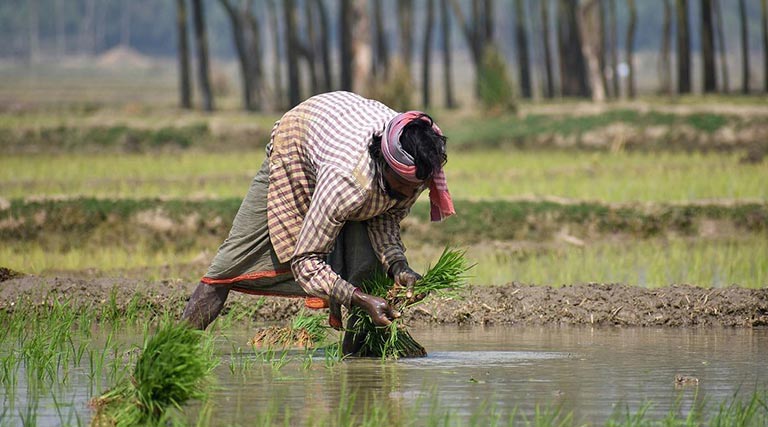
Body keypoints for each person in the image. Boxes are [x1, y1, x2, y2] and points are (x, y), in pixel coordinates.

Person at [181, 91, 454, 353]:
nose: (408, 195)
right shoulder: (346, 181)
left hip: (339, 132)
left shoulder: (414, 167)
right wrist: (358, 298)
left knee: (369, 270)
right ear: (383, 163)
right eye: (403, 186)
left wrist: (398, 266)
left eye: (415, 188)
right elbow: (306, 261)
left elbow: (387, 215)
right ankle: (173, 351)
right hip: (298, 144)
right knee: (229, 265)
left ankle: (355, 365)